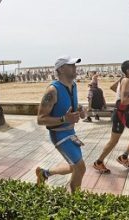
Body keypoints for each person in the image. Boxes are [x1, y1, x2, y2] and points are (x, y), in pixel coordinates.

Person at [35, 56, 86, 192]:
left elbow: (69, 107)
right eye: (71, 65)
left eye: (75, 65)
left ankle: (44, 173)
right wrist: (64, 119)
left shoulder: (73, 85)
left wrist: (80, 110)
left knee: (73, 166)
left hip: (71, 133)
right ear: (61, 69)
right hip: (59, 135)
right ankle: (77, 201)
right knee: (80, 167)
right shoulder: (52, 90)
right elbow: (40, 119)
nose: (75, 68)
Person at [93, 60, 129, 174]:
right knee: (113, 141)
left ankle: (124, 157)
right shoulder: (126, 81)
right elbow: (124, 101)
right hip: (120, 114)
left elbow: (112, 87)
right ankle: (98, 162)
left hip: (127, 113)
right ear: (128, 70)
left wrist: (120, 90)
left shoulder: (124, 79)